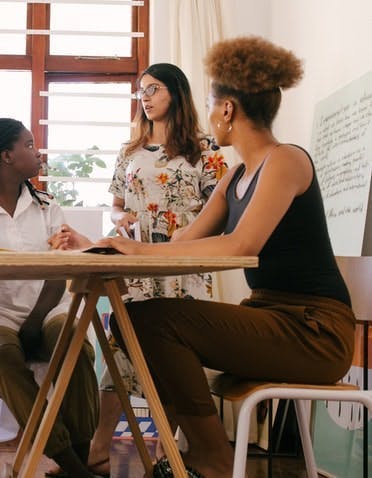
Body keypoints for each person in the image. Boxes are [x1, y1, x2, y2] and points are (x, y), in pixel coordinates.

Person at [83, 37, 355, 478]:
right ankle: (198, 454)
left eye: (211, 104)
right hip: (272, 317)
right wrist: (107, 244)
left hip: (313, 331)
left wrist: (137, 248)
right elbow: (181, 247)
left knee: (155, 321)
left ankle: (211, 458)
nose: (209, 114)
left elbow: (239, 247)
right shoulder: (236, 177)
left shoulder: (285, 161)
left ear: (227, 109)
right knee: (139, 320)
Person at [88, 63, 227, 477]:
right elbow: (115, 204)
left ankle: (164, 452)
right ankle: (98, 450)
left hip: (184, 265)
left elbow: (223, 209)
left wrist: (190, 234)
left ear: (176, 93)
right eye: (140, 91)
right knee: (119, 351)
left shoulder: (205, 148)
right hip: (135, 263)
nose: (145, 98)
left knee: (176, 360)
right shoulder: (129, 150)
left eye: (153, 89)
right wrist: (120, 220)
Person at [0, 118, 99, 478]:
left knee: (77, 347)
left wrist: (34, 321)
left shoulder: (47, 205)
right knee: (2, 358)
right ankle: (74, 466)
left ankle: (73, 464)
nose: (38, 152)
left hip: (48, 311)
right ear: (7, 155)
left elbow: (57, 272)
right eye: (30, 145)